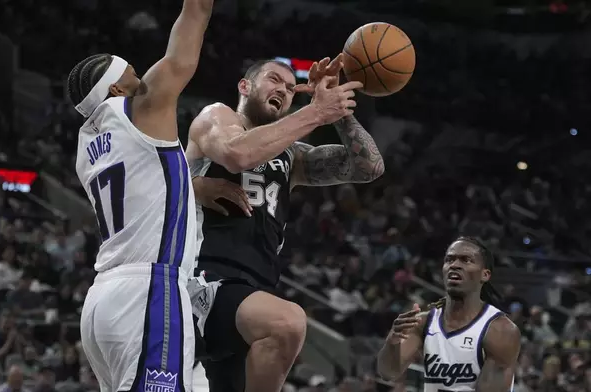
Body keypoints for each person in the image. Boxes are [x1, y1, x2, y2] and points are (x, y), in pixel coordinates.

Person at [186, 55, 385, 392]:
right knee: (288, 322)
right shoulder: (216, 117)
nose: (284, 89)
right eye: (274, 80)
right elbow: (238, 154)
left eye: (292, 88)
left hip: (252, 293)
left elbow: (369, 167)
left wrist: (340, 109)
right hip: (202, 277)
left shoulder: (291, 155)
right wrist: (317, 111)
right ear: (245, 86)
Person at [66, 0, 215, 390]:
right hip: (149, 289)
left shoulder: (87, 145)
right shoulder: (141, 108)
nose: (142, 77)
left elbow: (146, 185)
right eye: (133, 73)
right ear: (116, 89)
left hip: (102, 302)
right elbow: (193, 21)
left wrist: (195, 187)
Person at [376, 237, 521, 392]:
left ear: (485, 275)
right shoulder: (422, 322)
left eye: (466, 260)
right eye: (449, 260)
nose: (455, 265)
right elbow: (388, 373)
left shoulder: (500, 330)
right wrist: (392, 342)